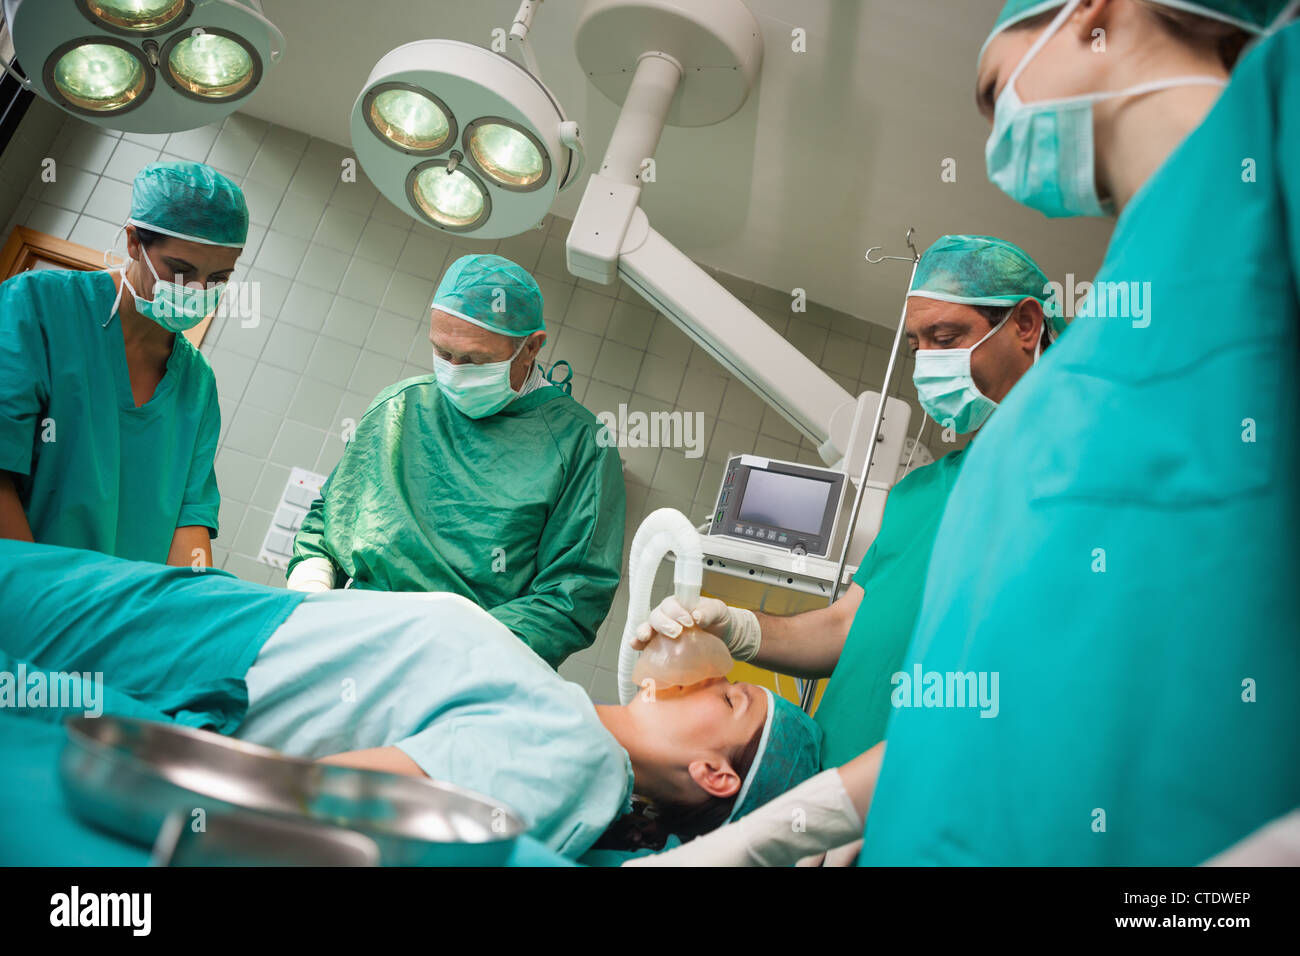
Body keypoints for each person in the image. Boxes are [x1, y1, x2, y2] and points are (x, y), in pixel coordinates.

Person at [859, 0, 1300, 865]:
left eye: (995, 94)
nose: (995, 138)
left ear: (1094, 12)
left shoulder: (1272, 134)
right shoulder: (1092, 352)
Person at [0, 537, 819, 859]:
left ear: (716, 774)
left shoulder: (577, 760)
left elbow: (306, 812)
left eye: (734, 700)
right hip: (223, 627)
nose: (712, 674)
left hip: (204, 658)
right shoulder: (566, 717)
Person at [636, 235, 1058, 770]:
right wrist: (737, 628)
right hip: (822, 792)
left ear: (1024, 325)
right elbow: (843, 628)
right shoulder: (917, 496)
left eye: (945, 337)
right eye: (915, 347)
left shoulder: (1081, 483)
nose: (924, 363)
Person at [287, 254, 626, 668]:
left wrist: (452, 651)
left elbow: (571, 595)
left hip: (471, 667)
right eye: (441, 352)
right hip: (352, 641)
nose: (452, 370)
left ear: (531, 346)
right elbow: (329, 521)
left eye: (473, 359)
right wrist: (312, 589)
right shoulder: (401, 407)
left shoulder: (581, 444)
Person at [0, 161, 245, 566]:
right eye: (180, 270)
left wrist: (190, 606)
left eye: (218, 276)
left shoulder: (197, 385)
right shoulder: (39, 308)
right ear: (133, 243)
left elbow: (189, 520)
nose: (198, 290)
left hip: (119, 618)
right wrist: (39, 596)